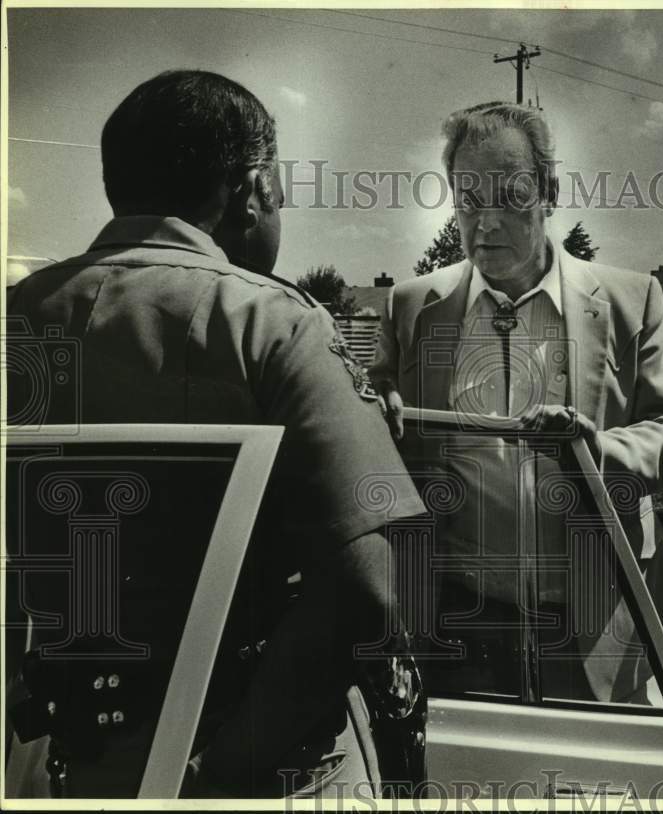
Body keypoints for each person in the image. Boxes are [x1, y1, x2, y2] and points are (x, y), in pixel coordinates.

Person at [5, 70, 426, 798]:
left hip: (70, 754)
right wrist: (212, 776)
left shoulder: (18, 316)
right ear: (252, 187)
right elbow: (366, 588)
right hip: (261, 764)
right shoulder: (276, 323)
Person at [369, 101, 663, 704]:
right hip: (456, 624)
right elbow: (376, 412)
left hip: (594, 620)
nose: (485, 223)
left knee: (596, 792)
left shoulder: (631, 299)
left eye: (509, 198)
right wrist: (380, 409)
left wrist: (595, 450)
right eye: (468, 201)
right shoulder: (412, 306)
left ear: (549, 191)